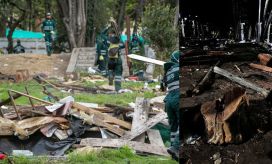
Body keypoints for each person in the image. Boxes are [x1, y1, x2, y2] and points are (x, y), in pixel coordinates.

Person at [161, 50, 181, 160]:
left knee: (173, 127)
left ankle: (174, 155)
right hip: (177, 98)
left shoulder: (168, 71)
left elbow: (162, 86)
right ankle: (176, 148)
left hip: (169, 100)